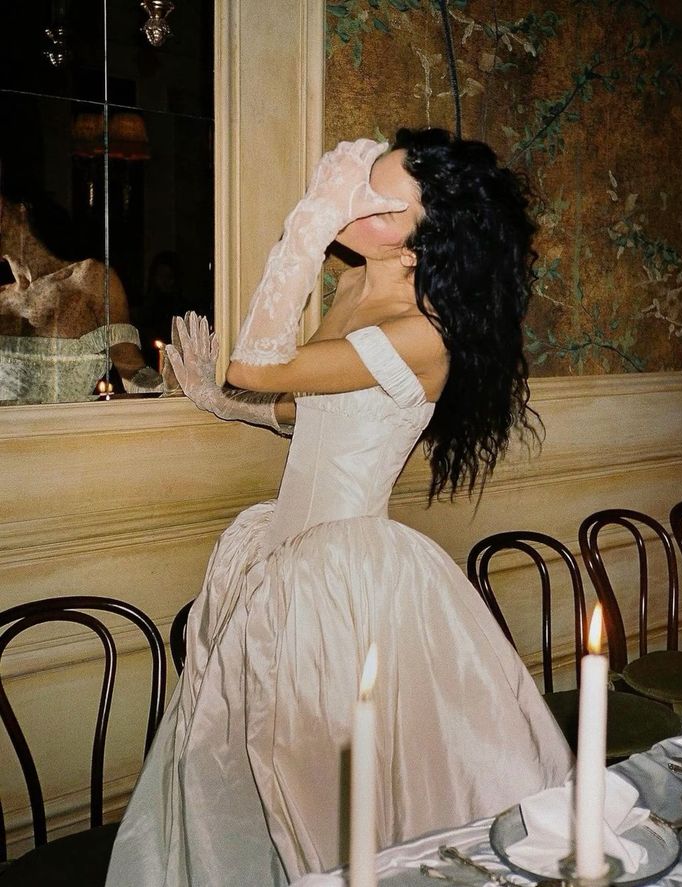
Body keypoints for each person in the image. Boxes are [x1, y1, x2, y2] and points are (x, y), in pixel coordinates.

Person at [105, 131, 572, 887]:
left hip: (349, 579)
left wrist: (308, 224)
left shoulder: (423, 332)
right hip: (279, 558)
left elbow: (259, 365)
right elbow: (305, 406)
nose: (353, 205)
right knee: (263, 762)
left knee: (337, 783)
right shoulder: (353, 285)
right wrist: (222, 404)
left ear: (419, 247)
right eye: (360, 187)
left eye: (379, 204)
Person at [0, 188, 162, 404]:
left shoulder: (89, 279)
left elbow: (132, 371)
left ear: (21, 209)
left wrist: (171, 388)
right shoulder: (3, 299)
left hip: (70, 424)